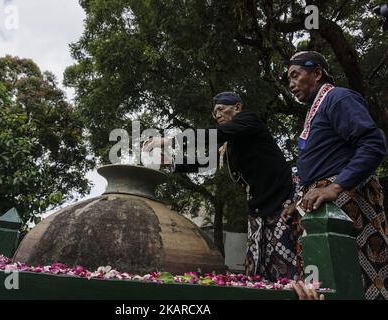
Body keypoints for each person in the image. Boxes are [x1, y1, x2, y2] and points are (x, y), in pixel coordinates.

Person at [144, 92, 302, 282]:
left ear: (237, 107)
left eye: (220, 109)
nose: (217, 115)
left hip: (283, 200)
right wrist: (170, 161)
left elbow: (214, 134)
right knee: (258, 266)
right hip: (259, 207)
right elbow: (206, 162)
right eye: (214, 112)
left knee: (286, 262)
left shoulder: (249, 120)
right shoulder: (230, 144)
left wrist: (167, 140)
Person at [284, 51, 388, 300]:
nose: (290, 84)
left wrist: (336, 187)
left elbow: (374, 144)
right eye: (288, 79)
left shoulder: (338, 98)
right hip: (320, 204)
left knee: (355, 281)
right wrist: (297, 203)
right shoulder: (317, 109)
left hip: (346, 204)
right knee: (322, 285)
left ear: (317, 73)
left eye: (295, 75)